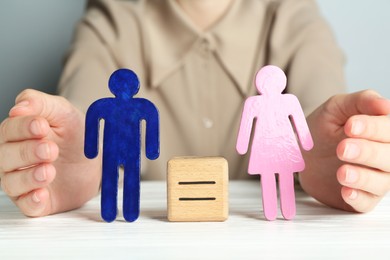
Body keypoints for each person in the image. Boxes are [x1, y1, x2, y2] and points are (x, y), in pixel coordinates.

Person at [1, 0, 390, 218]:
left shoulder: (297, 21)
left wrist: (326, 152)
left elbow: (312, 122)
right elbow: (87, 117)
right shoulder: (110, 24)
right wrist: (76, 156)